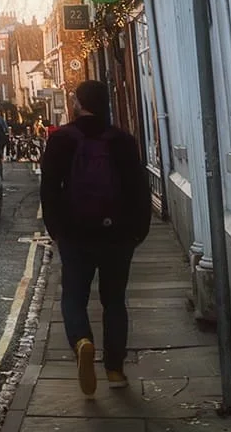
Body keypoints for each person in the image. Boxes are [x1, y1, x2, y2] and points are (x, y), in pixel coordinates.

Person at [40, 79, 152, 397]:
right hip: (118, 235)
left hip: (76, 234)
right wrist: (138, 230)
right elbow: (139, 189)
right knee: (114, 300)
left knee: (74, 297)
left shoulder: (62, 140)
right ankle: (115, 369)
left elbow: (49, 188)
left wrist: (56, 229)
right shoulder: (123, 141)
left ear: (79, 103)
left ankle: (82, 341)